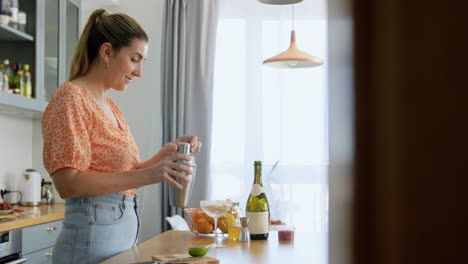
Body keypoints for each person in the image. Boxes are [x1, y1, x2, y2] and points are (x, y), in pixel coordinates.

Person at [42, 9, 201, 264]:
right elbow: (68, 184)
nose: (138, 72)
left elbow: (125, 175)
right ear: (107, 52)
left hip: (120, 237)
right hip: (88, 244)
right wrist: (149, 174)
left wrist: (166, 155)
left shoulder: (110, 105)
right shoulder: (71, 97)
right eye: (135, 59)